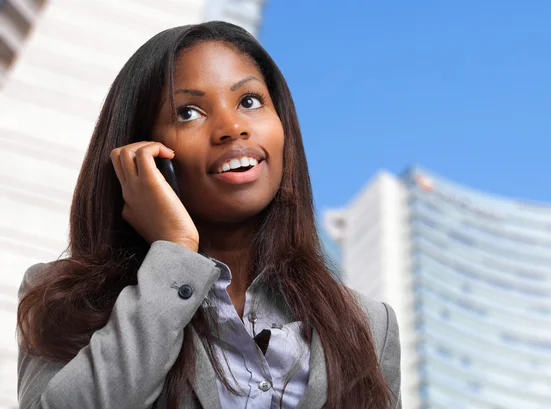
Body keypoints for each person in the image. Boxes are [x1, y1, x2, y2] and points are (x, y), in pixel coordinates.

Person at [16, 21, 401, 409]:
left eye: (249, 101)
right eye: (188, 112)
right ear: (142, 153)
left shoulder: (370, 326)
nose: (232, 128)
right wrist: (175, 254)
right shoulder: (66, 299)